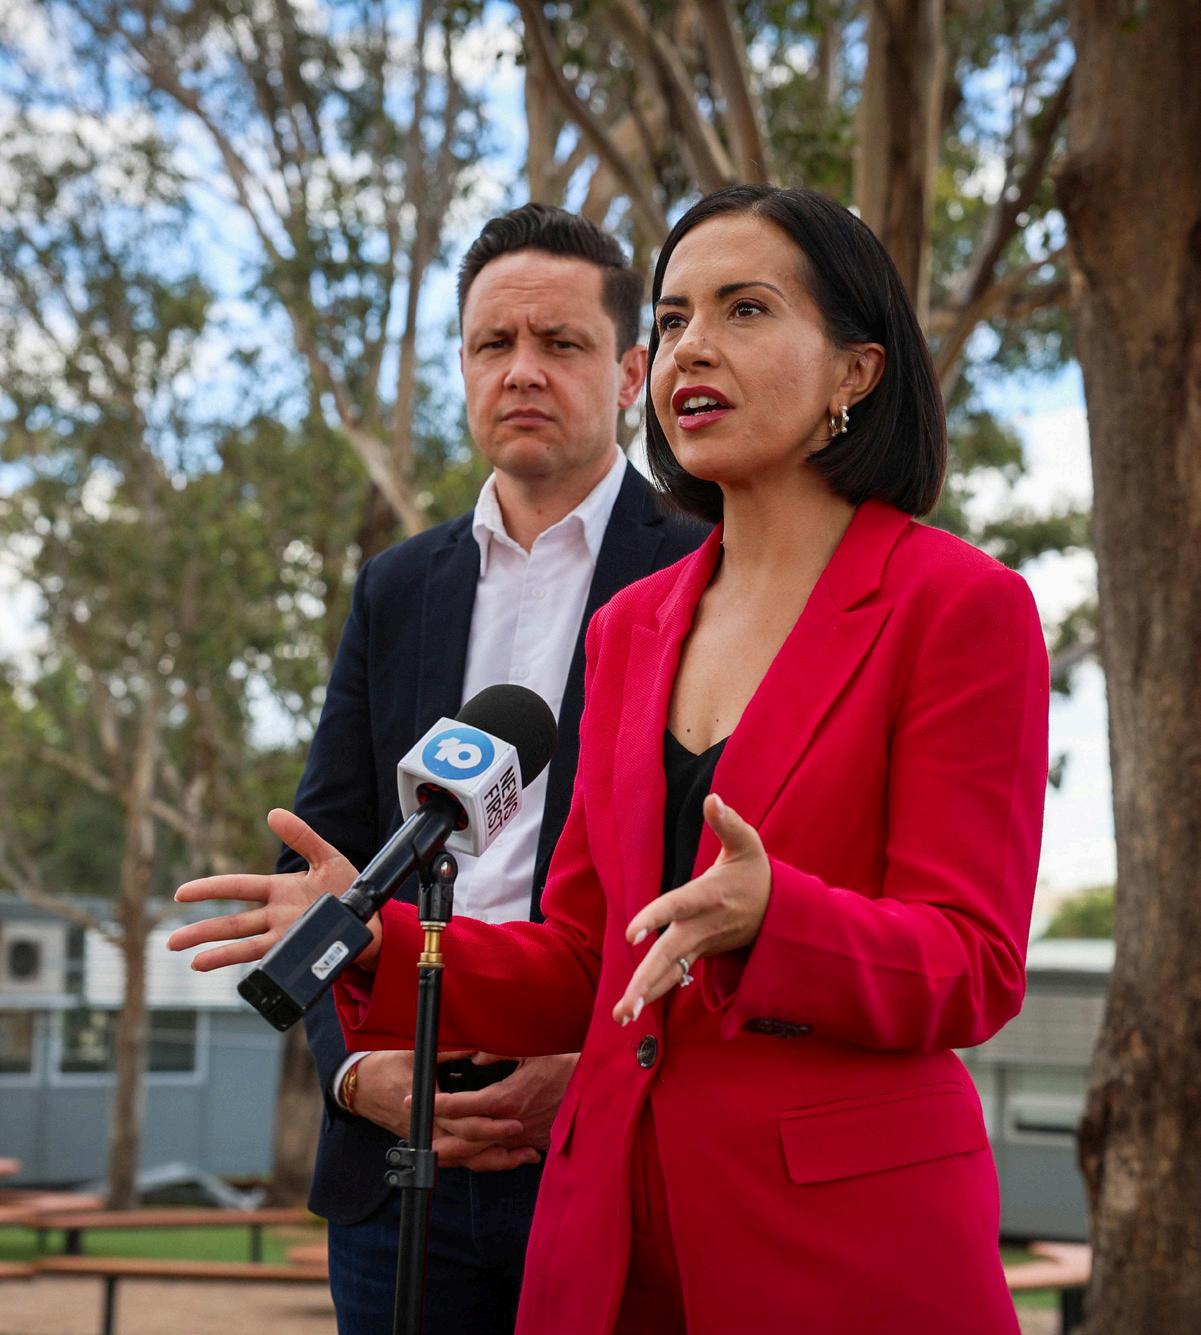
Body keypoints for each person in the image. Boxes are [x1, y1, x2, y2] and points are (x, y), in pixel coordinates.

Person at [172, 186, 1049, 1334]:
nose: (694, 347)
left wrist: (775, 919)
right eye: (676, 317)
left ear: (856, 370)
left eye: (744, 309)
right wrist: (374, 933)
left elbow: (973, 963)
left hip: (836, 1242)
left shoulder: (960, 606)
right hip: (607, 1244)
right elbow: (588, 952)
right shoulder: (631, 628)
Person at [171, 204, 703, 1335]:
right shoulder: (396, 586)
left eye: (560, 343)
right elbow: (322, 864)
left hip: (606, 1143)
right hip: (394, 1159)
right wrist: (352, 1074)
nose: (522, 370)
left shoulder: (705, 568)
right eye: (491, 343)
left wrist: (592, 1066)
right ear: (461, 366)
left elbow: (716, 873)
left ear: (630, 374)